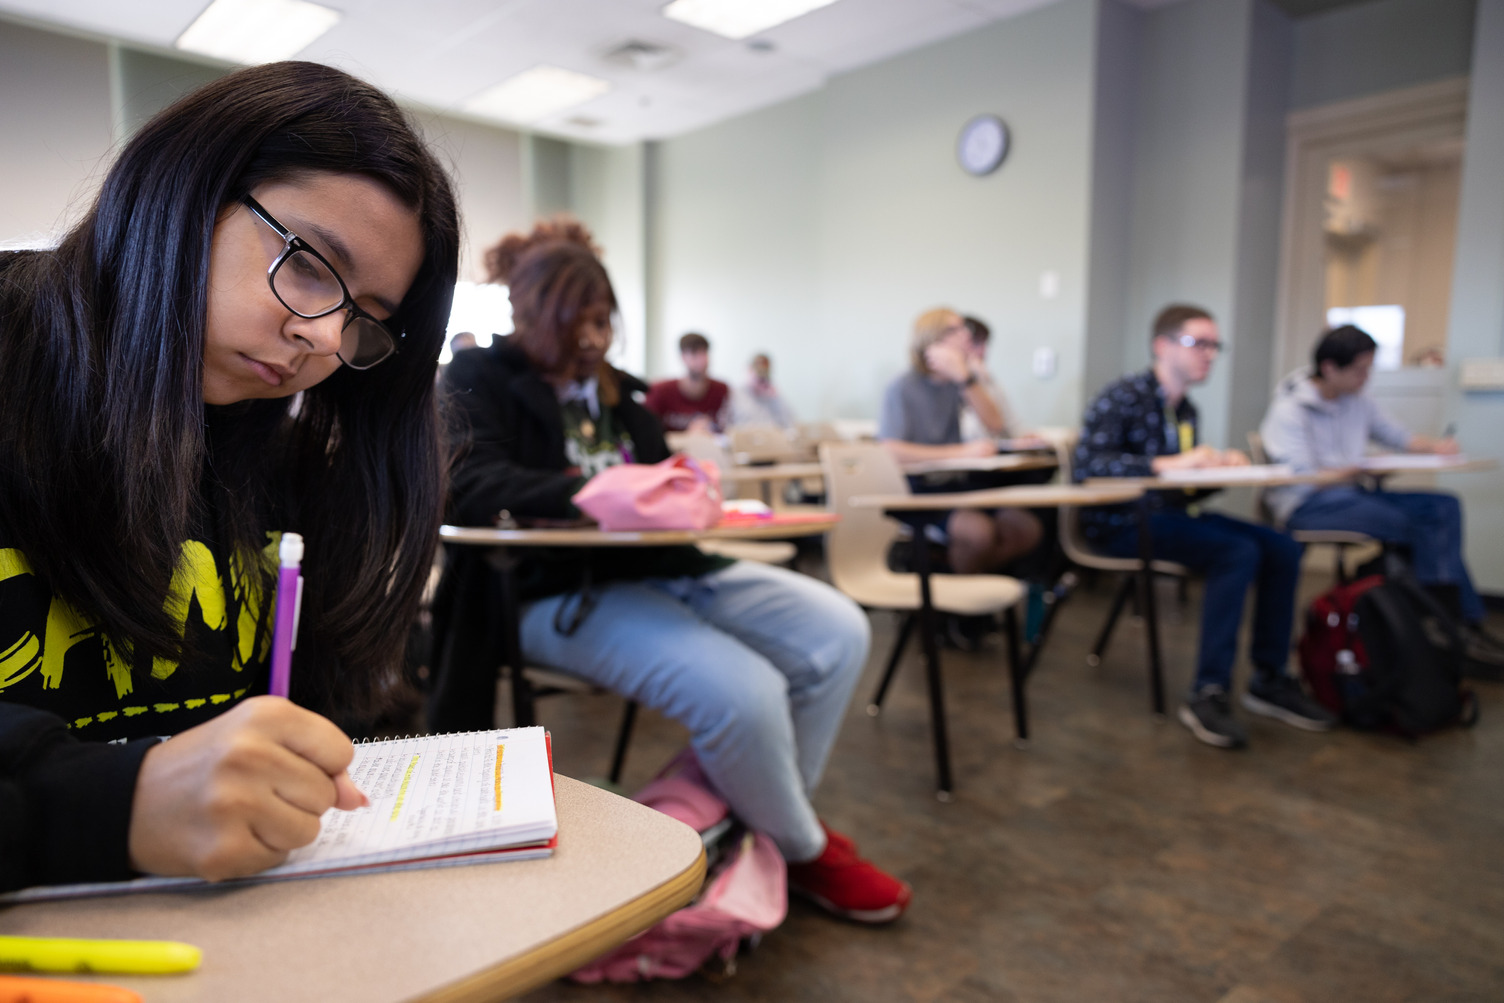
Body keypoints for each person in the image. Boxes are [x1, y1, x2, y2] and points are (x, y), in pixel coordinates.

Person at [0, 61, 460, 892]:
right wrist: (114, 804)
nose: (324, 342)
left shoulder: (272, 458)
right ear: (186, 186)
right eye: (313, 264)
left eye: (362, 322)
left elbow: (338, 721)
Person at [437, 219, 910, 924]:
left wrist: (685, 490)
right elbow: (466, 486)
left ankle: (755, 829)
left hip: (664, 568)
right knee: (744, 692)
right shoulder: (479, 378)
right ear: (531, 314)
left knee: (837, 629)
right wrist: (586, 495)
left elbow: (661, 480)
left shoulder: (622, 394)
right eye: (576, 322)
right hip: (551, 589)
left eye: (603, 321)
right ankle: (804, 847)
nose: (593, 339)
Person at [1074, 304, 1335, 749]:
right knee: (1237, 552)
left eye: (1215, 345)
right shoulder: (1123, 396)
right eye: (1199, 343)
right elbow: (1088, 467)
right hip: (1118, 524)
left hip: (1168, 516)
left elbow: (1179, 489)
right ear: (1162, 345)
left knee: (1281, 546)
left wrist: (1215, 472)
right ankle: (1208, 692)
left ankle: (1268, 678)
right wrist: (1171, 463)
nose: (1209, 354)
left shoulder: (1186, 409)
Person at [1260, 325, 1502, 663]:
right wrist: (1359, 470)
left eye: (1369, 368)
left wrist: (1436, 447)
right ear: (1330, 367)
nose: (1366, 377)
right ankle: (1448, 623)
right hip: (1309, 503)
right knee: (1419, 523)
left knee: (1443, 507)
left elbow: (1398, 436)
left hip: (1355, 494)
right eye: (1359, 370)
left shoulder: (1358, 401)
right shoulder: (1290, 409)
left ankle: (1456, 621)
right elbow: (1303, 478)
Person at [879, 308, 1043, 575]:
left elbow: (996, 424)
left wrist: (966, 378)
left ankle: (967, 591)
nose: (966, 334)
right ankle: (959, 607)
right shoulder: (902, 386)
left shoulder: (958, 383)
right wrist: (960, 452)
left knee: (1025, 530)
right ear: (932, 340)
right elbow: (890, 450)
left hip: (957, 486)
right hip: (918, 491)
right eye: (954, 330)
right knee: (979, 533)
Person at [644, 332, 732, 433]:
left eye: (704, 352)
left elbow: (726, 429)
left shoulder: (721, 390)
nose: (701, 360)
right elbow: (647, 432)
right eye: (694, 354)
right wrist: (688, 435)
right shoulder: (659, 391)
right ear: (683, 357)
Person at [731, 352, 796, 428]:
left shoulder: (773, 395)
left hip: (771, 437)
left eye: (765, 372)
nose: (762, 376)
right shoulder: (736, 395)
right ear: (749, 369)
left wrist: (775, 399)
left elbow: (790, 421)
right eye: (759, 370)